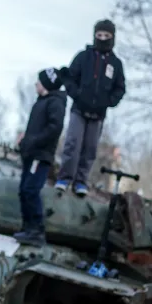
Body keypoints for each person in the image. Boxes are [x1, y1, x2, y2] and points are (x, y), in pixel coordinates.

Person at [56, 19, 126, 196]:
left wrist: (109, 101)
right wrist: (76, 93)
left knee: (90, 149)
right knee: (73, 143)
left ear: (112, 37)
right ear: (94, 36)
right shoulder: (83, 57)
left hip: (98, 115)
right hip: (79, 110)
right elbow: (70, 77)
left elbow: (120, 88)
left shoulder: (116, 64)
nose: (102, 38)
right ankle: (64, 178)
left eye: (106, 36)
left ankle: (81, 181)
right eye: (99, 35)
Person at [13, 68, 67, 246]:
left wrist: (34, 141)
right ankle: (27, 227)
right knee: (23, 190)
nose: (36, 83)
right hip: (31, 153)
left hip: (40, 154)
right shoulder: (42, 102)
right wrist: (26, 140)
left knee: (31, 190)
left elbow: (54, 128)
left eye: (39, 80)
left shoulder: (55, 103)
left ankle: (36, 230)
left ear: (47, 83)